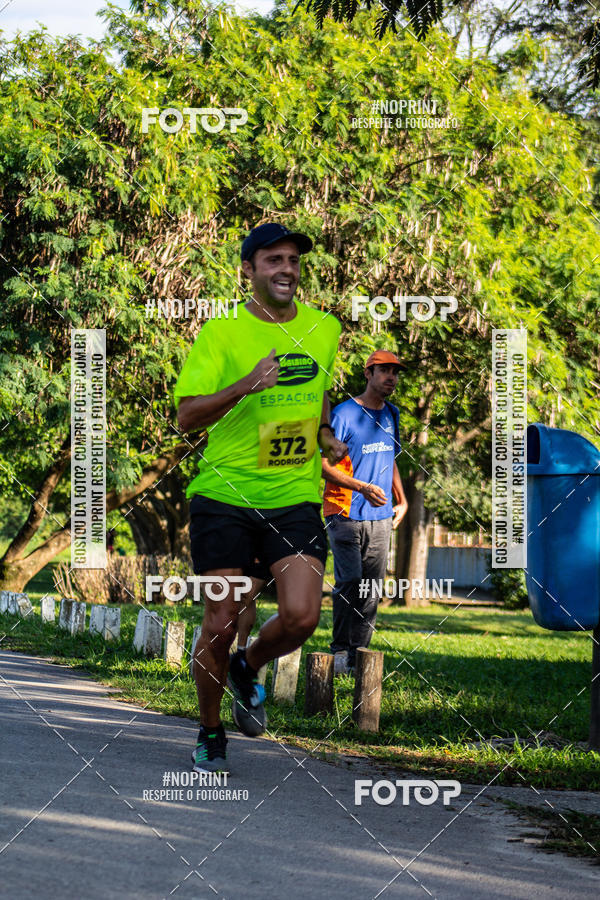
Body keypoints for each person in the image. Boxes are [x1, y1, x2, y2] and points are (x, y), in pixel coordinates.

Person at [174, 222, 346, 773]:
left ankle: (248, 666)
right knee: (220, 620)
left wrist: (324, 435)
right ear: (248, 270)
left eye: (293, 260)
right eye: (274, 260)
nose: (287, 270)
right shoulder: (220, 335)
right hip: (224, 494)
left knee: (301, 617)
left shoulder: (324, 328)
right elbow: (187, 417)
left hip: (293, 495)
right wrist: (245, 385)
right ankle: (209, 730)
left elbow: (315, 396)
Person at [322, 350, 408, 672]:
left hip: (381, 516)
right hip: (343, 512)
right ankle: (339, 652)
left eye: (395, 372)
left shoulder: (392, 415)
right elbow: (322, 466)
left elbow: (390, 459)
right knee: (351, 581)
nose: (391, 378)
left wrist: (402, 499)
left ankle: (359, 656)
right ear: (368, 374)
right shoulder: (344, 415)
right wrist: (361, 487)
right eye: (384, 371)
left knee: (371, 589)